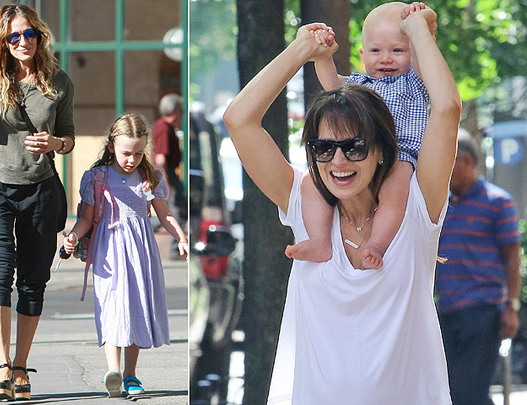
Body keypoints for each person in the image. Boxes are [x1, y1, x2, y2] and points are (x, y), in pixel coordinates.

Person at [223, 4, 461, 404]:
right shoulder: (304, 203)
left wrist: (419, 31)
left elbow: (448, 108)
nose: (337, 161)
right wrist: (301, 51)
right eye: (323, 147)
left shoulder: (417, 205)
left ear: (381, 150)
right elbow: (239, 119)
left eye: (354, 147)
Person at [0, 4, 75, 401]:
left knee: (33, 280)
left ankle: (21, 367)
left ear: (39, 36)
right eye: (13, 36)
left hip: (39, 188)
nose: (22, 42)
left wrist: (55, 143)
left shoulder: (59, 81)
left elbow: (69, 135)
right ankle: (2, 365)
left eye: (28, 34)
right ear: (2, 42)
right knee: (0, 270)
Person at [285, 2, 434, 269]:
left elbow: (429, 63)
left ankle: (376, 243)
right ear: (363, 54)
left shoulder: (415, 81)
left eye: (397, 50)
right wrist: (323, 56)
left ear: (414, 53)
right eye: (376, 51)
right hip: (359, 151)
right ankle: (319, 241)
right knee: (311, 182)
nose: (386, 58)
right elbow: (332, 84)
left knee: (394, 191)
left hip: (402, 154)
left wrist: (422, 28)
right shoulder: (361, 86)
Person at [62, 113, 188, 397]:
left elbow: (164, 214)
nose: (131, 159)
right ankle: (113, 371)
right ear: (111, 147)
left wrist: (181, 237)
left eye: (138, 153)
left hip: (141, 250)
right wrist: (73, 236)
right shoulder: (97, 177)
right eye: (125, 153)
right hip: (110, 250)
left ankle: (131, 374)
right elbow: (86, 218)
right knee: (112, 306)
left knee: (137, 306)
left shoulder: (150, 177)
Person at [436, 130, 522, 405]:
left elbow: (512, 256)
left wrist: (511, 306)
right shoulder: (442, 205)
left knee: (467, 393)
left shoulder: (497, 201)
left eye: (446, 162)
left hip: (482, 310)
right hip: (446, 310)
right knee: (449, 391)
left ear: (465, 161)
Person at [152, 93, 187, 226]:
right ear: (173, 112)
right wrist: (166, 184)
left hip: (168, 175)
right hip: (167, 175)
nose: (182, 114)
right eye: (181, 111)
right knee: (175, 213)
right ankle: (177, 245)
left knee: (176, 212)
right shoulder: (164, 128)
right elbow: (160, 160)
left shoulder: (166, 127)